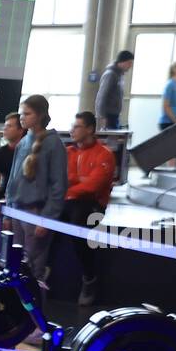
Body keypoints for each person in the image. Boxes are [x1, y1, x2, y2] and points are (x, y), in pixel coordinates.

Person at [4, 94, 67, 309]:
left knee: (35, 268)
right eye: (21, 113)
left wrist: (47, 219)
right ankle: (20, 313)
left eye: (27, 114)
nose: (22, 118)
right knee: (18, 265)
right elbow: (13, 179)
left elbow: (58, 186)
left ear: (40, 116)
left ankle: (36, 320)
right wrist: (8, 211)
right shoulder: (23, 142)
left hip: (36, 213)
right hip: (17, 212)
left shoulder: (53, 144)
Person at [63, 111, 118, 306]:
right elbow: (64, 179)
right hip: (69, 199)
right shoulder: (68, 152)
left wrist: (72, 187)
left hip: (93, 204)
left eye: (76, 127)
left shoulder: (105, 154)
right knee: (44, 213)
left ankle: (89, 277)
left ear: (89, 129)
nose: (72, 130)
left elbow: (93, 186)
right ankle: (42, 271)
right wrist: (78, 183)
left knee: (79, 222)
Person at [0, 112, 24, 202]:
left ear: (20, 130)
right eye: (5, 126)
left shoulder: (28, 151)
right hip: (5, 196)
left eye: (9, 126)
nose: (5, 128)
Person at [94, 50, 134, 130]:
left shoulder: (120, 75)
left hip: (114, 115)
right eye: (129, 63)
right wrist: (102, 117)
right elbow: (102, 96)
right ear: (122, 61)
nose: (130, 66)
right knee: (110, 140)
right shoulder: (110, 74)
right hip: (108, 116)